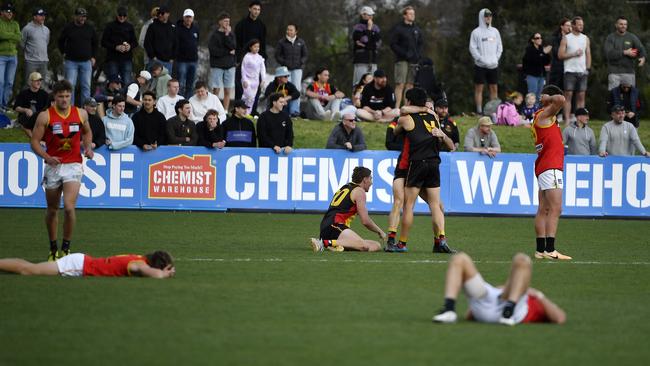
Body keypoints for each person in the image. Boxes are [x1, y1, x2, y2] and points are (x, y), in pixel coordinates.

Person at [30, 80, 94, 261]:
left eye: (67, 96)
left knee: (69, 207)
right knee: (52, 209)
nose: (65, 99)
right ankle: (53, 248)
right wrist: (47, 157)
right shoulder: (45, 116)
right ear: (55, 97)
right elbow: (34, 142)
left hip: (73, 165)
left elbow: (87, 132)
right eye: (61, 96)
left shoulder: (81, 114)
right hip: (53, 166)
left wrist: (88, 148)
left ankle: (66, 248)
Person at [390, 87, 455, 253]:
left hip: (417, 163)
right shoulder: (433, 115)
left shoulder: (405, 118)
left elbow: (396, 131)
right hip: (434, 163)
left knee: (409, 205)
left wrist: (398, 127)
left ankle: (402, 243)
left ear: (410, 101)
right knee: (435, 205)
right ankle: (440, 240)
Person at [432, 252, 566, 325]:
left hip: (511, 307)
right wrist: (536, 293)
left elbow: (559, 318)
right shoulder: (525, 292)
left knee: (522, 260)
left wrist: (538, 295)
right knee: (459, 258)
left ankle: (509, 310)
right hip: (493, 298)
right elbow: (469, 314)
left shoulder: (534, 301)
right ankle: (449, 310)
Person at [531, 85, 571, 260]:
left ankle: (540, 250)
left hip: (544, 167)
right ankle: (550, 249)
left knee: (544, 209)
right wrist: (548, 98)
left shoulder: (542, 116)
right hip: (551, 167)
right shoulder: (544, 114)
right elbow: (561, 100)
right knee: (556, 208)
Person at [311, 166, 386, 252]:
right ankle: (323, 243)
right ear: (365, 179)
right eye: (370, 179)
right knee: (364, 246)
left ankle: (334, 244)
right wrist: (380, 231)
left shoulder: (347, 187)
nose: (371, 182)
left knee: (376, 245)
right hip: (335, 225)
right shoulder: (359, 191)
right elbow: (365, 221)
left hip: (328, 226)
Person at [0, 250, 175, 279]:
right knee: (28, 270)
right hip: (79, 266)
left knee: (30, 268)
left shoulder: (140, 258)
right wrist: (164, 274)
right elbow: (155, 275)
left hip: (81, 261)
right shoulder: (138, 264)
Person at [58, 7, 97, 106]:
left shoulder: (89, 28)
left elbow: (95, 43)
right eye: (81, 16)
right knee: (70, 86)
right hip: (71, 61)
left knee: (86, 86)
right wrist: (63, 52)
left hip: (86, 62)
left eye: (84, 16)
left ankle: (85, 109)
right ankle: (70, 109)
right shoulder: (68, 27)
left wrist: (93, 56)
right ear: (75, 16)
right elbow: (61, 41)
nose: (83, 18)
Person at [469, 8, 502, 116]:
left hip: (493, 65)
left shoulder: (495, 31)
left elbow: (499, 47)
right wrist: (480, 58)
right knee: (479, 88)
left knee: (494, 88)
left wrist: (495, 58)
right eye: (486, 16)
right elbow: (472, 48)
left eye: (490, 16)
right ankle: (479, 111)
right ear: (481, 17)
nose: (488, 18)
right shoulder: (476, 32)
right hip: (480, 65)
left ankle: (493, 111)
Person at [559, 16, 591, 125]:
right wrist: (573, 54)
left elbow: (588, 54)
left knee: (581, 96)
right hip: (569, 71)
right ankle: (567, 120)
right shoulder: (566, 38)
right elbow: (560, 55)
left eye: (582, 25)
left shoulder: (585, 38)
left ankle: (580, 120)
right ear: (573, 25)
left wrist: (588, 68)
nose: (581, 26)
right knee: (568, 96)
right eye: (579, 24)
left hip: (582, 72)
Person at [390, 5, 423, 108]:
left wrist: (418, 55)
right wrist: (404, 53)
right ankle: (396, 108)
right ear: (404, 15)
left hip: (413, 61)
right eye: (410, 13)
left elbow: (421, 44)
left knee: (410, 85)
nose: (412, 16)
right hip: (402, 60)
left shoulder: (417, 29)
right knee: (400, 84)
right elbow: (393, 44)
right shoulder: (398, 28)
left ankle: (407, 107)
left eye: (413, 14)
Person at [235, 1, 267, 100]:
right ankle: (237, 108)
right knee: (241, 85)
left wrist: (263, 59)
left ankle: (253, 111)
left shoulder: (262, 25)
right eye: (254, 9)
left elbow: (263, 44)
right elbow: (237, 42)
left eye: (258, 10)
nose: (256, 11)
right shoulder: (241, 24)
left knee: (256, 85)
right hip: (243, 59)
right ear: (249, 9)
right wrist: (238, 58)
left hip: (257, 60)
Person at [604, 16, 646, 90]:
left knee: (629, 99)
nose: (623, 26)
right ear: (616, 25)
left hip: (629, 72)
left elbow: (641, 49)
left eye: (625, 24)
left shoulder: (632, 37)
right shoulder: (610, 38)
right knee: (614, 98)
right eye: (621, 24)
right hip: (614, 73)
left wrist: (642, 57)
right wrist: (625, 52)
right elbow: (609, 54)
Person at [275, 23, 307, 117]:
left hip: (297, 69)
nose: (289, 31)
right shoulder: (282, 42)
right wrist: (284, 62)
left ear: (296, 31)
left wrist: (301, 62)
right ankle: (285, 110)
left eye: (291, 30)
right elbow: (277, 55)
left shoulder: (301, 42)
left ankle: (295, 111)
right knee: (286, 89)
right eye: (288, 29)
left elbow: (305, 55)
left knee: (296, 89)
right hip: (286, 70)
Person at [101, 6, 137, 88]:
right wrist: (115, 47)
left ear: (126, 16)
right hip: (113, 59)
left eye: (124, 15)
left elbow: (135, 42)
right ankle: (113, 99)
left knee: (127, 82)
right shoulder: (110, 26)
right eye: (120, 15)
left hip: (126, 59)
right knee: (113, 82)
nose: (122, 17)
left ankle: (126, 100)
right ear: (117, 15)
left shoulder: (130, 27)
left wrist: (129, 46)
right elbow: (103, 42)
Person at [209, 12, 236, 111]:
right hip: (217, 66)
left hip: (230, 66)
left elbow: (233, 47)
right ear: (220, 22)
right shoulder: (214, 36)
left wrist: (227, 35)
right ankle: (213, 110)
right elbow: (214, 51)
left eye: (228, 21)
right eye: (225, 21)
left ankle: (225, 111)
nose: (227, 23)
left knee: (228, 90)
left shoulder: (230, 34)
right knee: (216, 89)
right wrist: (228, 52)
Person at [13, 71, 49, 138]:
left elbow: (48, 108)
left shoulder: (45, 94)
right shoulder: (23, 93)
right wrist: (25, 110)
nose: (39, 83)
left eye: (40, 80)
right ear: (30, 82)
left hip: (40, 117)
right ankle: (33, 138)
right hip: (26, 117)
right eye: (36, 81)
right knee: (25, 118)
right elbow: (16, 107)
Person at [21, 7, 49, 88]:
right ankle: (25, 101)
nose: (43, 17)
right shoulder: (27, 28)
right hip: (31, 61)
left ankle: (40, 101)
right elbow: (22, 43)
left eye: (44, 15)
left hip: (44, 61)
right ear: (34, 17)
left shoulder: (46, 29)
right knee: (29, 84)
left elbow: (46, 42)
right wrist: (30, 53)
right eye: (40, 15)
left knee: (42, 85)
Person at [352, 6, 381, 86]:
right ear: (363, 15)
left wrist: (367, 43)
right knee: (360, 83)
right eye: (369, 15)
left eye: (372, 15)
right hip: (361, 59)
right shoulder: (358, 28)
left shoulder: (376, 28)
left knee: (373, 84)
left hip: (373, 59)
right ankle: (357, 98)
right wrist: (369, 29)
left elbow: (378, 42)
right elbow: (365, 40)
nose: (371, 17)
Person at [0, 3, 20, 112]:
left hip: (13, 56)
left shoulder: (15, 24)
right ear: (1, 12)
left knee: (9, 82)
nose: (10, 13)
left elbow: (19, 37)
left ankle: (4, 104)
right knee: (0, 82)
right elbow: (1, 35)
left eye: (11, 11)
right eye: (7, 11)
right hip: (1, 56)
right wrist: (12, 36)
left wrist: (8, 36)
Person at [144, 6, 176, 72]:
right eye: (159, 13)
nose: (160, 15)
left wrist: (173, 58)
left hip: (168, 62)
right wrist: (152, 56)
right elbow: (147, 42)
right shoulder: (152, 26)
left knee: (166, 82)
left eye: (162, 13)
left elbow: (176, 43)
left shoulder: (173, 27)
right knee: (152, 81)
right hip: (155, 61)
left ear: (168, 14)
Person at [176, 9, 199, 98]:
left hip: (193, 60)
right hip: (182, 60)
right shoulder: (178, 28)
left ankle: (188, 102)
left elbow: (197, 41)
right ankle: (180, 100)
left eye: (190, 17)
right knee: (181, 83)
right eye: (187, 17)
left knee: (191, 84)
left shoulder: (196, 28)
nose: (188, 19)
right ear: (183, 18)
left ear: (193, 18)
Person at [522, 32, 551, 101]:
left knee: (539, 96)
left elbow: (546, 62)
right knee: (532, 95)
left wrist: (547, 54)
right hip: (532, 75)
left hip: (541, 75)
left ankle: (537, 111)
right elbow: (534, 61)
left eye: (540, 38)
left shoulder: (541, 49)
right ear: (533, 40)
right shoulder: (529, 49)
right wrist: (543, 53)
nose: (540, 39)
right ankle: (530, 111)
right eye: (537, 38)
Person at [241, 39, 266, 115]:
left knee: (252, 99)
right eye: (255, 46)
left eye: (258, 47)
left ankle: (248, 113)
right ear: (250, 47)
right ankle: (242, 110)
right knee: (248, 97)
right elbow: (243, 69)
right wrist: (244, 80)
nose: (257, 48)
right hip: (247, 80)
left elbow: (262, 70)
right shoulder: (247, 57)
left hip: (255, 81)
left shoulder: (260, 58)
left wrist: (263, 80)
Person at [548, 18, 571, 95]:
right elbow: (556, 52)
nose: (569, 28)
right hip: (557, 70)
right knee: (555, 92)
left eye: (570, 26)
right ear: (562, 26)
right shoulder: (555, 38)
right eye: (567, 25)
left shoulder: (571, 38)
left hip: (568, 70)